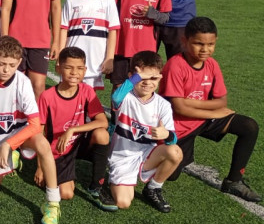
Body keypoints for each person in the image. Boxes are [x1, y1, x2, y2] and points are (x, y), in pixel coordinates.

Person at [160, 17, 260, 202]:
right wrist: (211, 112)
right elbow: (179, 108)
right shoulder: (175, 65)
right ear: (185, 40)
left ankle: (234, 181)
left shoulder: (212, 65)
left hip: (203, 119)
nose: (205, 49)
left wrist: (190, 102)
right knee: (171, 175)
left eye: (210, 44)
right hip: (179, 126)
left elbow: (221, 101)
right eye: (198, 43)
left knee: (249, 126)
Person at [0, 36, 62, 224]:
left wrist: (9, 144)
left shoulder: (23, 82)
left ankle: (53, 204)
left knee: (43, 144)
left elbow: (35, 124)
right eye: (1, 63)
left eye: (11, 65)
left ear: (19, 63)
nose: (5, 69)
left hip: (17, 137)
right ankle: (11, 159)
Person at [37, 47, 115, 210]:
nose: (74, 73)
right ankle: (61, 171)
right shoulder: (47, 97)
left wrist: (72, 130)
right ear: (58, 68)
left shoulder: (87, 91)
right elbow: (39, 133)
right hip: (58, 149)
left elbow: (103, 122)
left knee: (102, 135)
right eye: (68, 67)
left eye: (79, 68)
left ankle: (96, 187)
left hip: (78, 144)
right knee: (66, 194)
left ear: (85, 70)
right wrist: (40, 166)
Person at [109, 50, 182, 212]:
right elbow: (115, 97)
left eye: (153, 78)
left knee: (175, 152)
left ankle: (153, 188)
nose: (148, 82)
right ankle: (115, 178)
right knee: (123, 202)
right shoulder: (125, 97)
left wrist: (167, 135)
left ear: (159, 78)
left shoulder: (163, 105)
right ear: (132, 76)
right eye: (143, 78)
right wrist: (137, 77)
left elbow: (173, 140)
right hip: (122, 158)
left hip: (147, 154)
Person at [59, 0, 119, 90]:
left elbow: (112, 32)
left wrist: (110, 58)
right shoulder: (72, 0)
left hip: (95, 60)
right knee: (69, 92)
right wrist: (61, 56)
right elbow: (63, 30)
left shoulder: (108, 0)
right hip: (72, 59)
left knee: (90, 99)